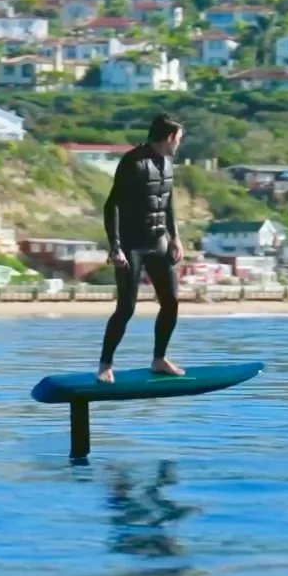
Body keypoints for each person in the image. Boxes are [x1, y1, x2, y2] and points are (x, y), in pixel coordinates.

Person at [97, 113, 185, 383]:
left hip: (158, 240)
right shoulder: (133, 162)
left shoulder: (167, 163)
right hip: (131, 244)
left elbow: (166, 202)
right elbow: (111, 205)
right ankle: (105, 365)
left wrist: (176, 237)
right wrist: (116, 247)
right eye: (179, 139)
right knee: (126, 307)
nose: (179, 144)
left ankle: (159, 359)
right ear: (169, 137)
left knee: (170, 302)